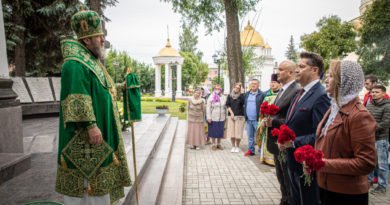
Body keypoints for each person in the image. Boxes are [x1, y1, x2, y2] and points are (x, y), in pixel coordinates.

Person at [56, 9, 131, 205]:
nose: (103, 40)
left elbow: (102, 91)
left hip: (99, 137)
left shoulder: (91, 61)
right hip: (86, 138)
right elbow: (76, 98)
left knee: (99, 191)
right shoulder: (74, 64)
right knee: (87, 189)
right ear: (86, 40)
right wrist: (91, 125)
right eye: (99, 36)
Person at [314, 60, 376, 205]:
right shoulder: (335, 107)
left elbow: (366, 163)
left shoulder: (359, 115)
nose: (326, 79)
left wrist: (322, 164)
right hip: (326, 188)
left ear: (345, 81)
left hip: (346, 194)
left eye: (332, 76)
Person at [280, 52, 330, 205]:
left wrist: (293, 143)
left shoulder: (321, 96)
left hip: (306, 165)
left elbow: (321, 135)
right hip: (293, 161)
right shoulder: (300, 92)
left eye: (302, 66)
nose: (297, 70)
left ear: (314, 70)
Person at [262, 60, 300, 205]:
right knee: (281, 177)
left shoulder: (296, 90)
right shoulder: (282, 90)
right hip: (277, 142)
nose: (277, 72)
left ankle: (288, 201)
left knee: (288, 178)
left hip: (286, 142)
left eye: (281, 69)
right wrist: (268, 119)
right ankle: (284, 200)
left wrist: (275, 121)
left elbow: (293, 118)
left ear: (291, 73)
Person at [367, 84, 390, 194]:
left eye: (377, 92)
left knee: (382, 164)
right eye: (373, 92)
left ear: (383, 94)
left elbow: (385, 123)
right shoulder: (370, 105)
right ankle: (369, 181)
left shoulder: (387, 106)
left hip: (381, 139)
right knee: (370, 162)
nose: (374, 94)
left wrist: (371, 129)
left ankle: (382, 186)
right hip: (370, 138)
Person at [257, 74, 281, 165]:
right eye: (271, 82)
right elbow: (262, 108)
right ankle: (265, 158)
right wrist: (263, 118)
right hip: (266, 120)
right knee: (266, 139)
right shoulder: (267, 95)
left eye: (274, 82)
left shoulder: (280, 94)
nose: (272, 84)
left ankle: (273, 160)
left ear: (279, 84)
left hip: (275, 121)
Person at [244, 79, 266, 156]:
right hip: (248, 120)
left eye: (255, 84)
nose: (253, 85)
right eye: (252, 84)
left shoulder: (262, 94)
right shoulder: (246, 94)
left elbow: (264, 106)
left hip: (258, 120)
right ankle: (251, 150)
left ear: (258, 85)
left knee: (259, 136)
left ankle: (261, 152)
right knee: (250, 137)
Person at [226, 83, 245, 153]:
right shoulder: (230, 96)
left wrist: (242, 94)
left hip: (239, 116)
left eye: (238, 88)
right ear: (233, 87)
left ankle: (237, 146)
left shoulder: (242, 96)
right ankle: (233, 146)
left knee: (238, 133)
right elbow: (227, 105)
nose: (236, 89)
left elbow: (243, 103)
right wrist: (231, 113)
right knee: (232, 132)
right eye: (236, 87)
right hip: (231, 116)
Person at [207, 84, 227, 151]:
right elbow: (208, 108)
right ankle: (213, 144)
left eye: (218, 89)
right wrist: (209, 117)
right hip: (213, 117)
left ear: (221, 89)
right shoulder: (211, 96)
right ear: (214, 89)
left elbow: (225, 107)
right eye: (216, 88)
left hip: (221, 117)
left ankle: (219, 144)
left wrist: (226, 117)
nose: (217, 90)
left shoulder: (223, 97)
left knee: (220, 131)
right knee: (213, 131)